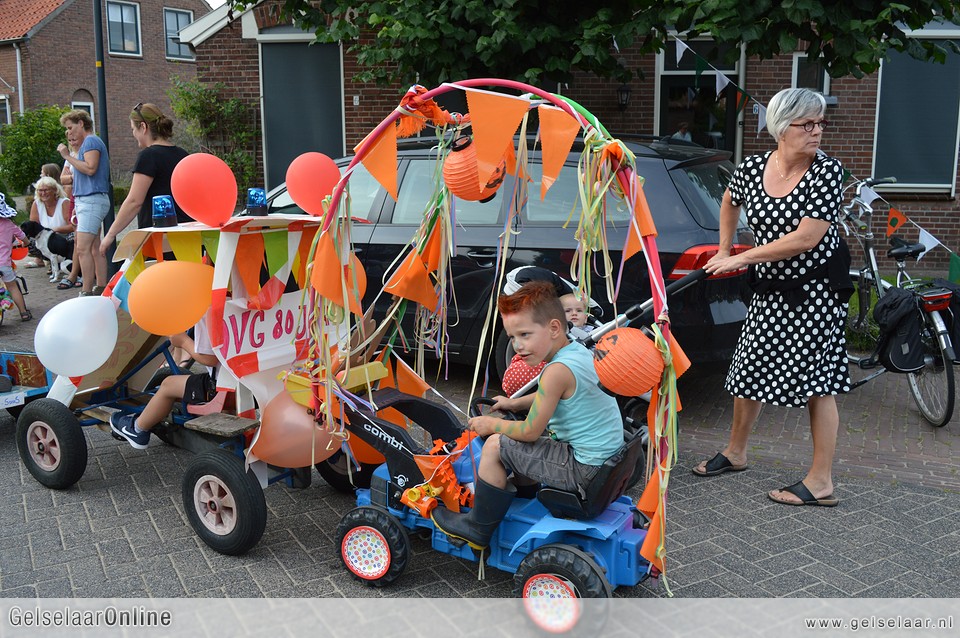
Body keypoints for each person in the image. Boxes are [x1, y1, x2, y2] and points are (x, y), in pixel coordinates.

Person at [692, 88, 849, 508]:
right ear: (781, 128)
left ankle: (821, 481)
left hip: (816, 292)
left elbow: (805, 238)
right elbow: (730, 200)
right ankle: (736, 452)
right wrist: (724, 248)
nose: (817, 131)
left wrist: (740, 258)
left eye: (820, 123)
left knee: (818, 383)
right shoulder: (753, 167)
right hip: (770, 289)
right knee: (748, 368)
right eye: (807, 124)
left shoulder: (827, 172)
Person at [431, 281, 623, 549]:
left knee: (496, 445)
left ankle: (477, 527)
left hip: (583, 470)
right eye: (512, 337)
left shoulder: (556, 371)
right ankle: (526, 495)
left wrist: (492, 424)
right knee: (521, 444)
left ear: (554, 328)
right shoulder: (578, 352)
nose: (518, 345)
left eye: (524, 334)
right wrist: (514, 404)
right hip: (605, 461)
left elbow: (530, 431)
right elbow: (552, 395)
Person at [110, 316, 218, 449]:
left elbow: (210, 359)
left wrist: (184, 341)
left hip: (218, 387)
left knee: (168, 384)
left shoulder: (208, 314)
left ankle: (137, 429)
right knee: (180, 382)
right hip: (237, 384)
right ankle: (153, 413)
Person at [101, 103, 190, 254]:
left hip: (160, 240)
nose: (133, 134)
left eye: (133, 129)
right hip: (187, 238)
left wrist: (110, 234)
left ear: (143, 127)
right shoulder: (183, 154)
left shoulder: (148, 156)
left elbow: (134, 201)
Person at [58, 110, 109, 297]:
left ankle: (86, 291)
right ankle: (101, 287)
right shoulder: (88, 144)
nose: (68, 132)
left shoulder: (90, 141)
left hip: (91, 200)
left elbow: (90, 168)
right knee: (95, 247)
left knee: (82, 248)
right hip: (88, 200)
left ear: (81, 123)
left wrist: (67, 156)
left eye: (70, 127)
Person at [29, 176, 76, 287]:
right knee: (31, 243)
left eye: (46, 190)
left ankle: (68, 262)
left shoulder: (64, 202)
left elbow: (73, 225)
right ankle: (52, 263)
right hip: (46, 238)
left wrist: (55, 230)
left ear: (55, 190)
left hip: (64, 236)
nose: (43, 193)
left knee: (72, 238)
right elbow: (32, 226)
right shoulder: (36, 204)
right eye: (40, 190)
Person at [0, 194, 31, 321]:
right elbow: (24, 238)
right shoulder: (9, 224)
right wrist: (25, 244)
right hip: (4, 264)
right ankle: (23, 313)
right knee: (12, 287)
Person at [56, 142, 83, 289]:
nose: (71, 141)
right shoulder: (71, 156)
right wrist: (74, 176)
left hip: (85, 196)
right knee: (77, 239)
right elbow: (63, 179)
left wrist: (71, 176)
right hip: (75, 195)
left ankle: (85, 274)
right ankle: (74, 273)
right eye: (69, 138)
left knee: (86, 240)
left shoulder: (84, 153)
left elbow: (85, 173)